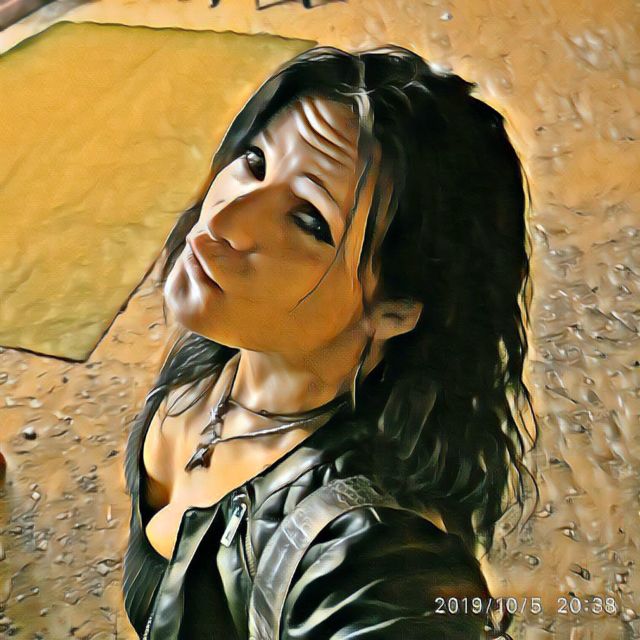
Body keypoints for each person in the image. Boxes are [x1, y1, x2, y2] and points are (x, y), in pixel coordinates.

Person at [122, 45, 537, 639]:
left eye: (309, 219)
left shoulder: (372, 560)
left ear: (394, 311)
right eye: (254, 162)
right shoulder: (219, 352)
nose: (222, 220)